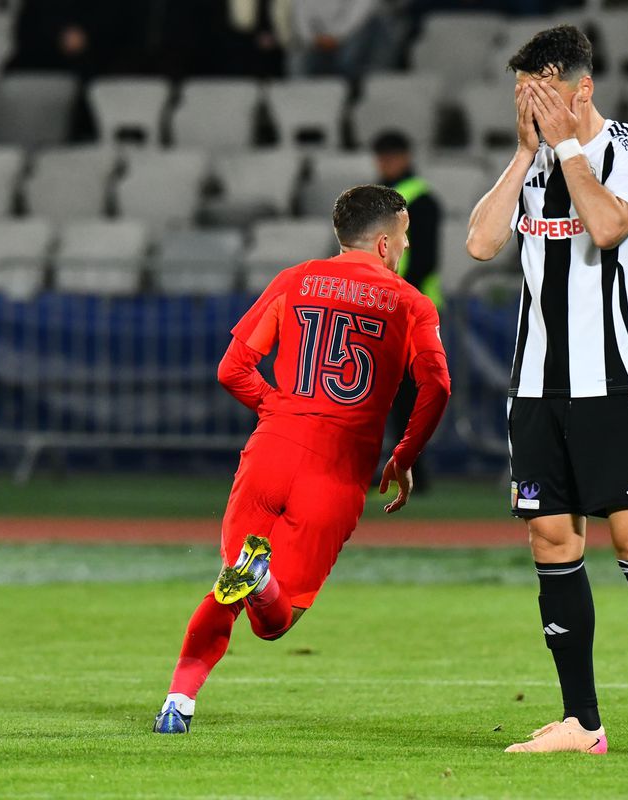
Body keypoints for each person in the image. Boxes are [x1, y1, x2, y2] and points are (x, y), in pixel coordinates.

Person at [466, 25, 628, 758]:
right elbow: (479, 243)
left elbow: (607, 228)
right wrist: (526, 151)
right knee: (552, 539)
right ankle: (581, 723)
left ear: (581, 88)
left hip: (615, 383)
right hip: (535, 388)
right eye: (521, 92)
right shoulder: (531, 161)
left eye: (543, 90)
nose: (530, 103)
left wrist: (566, 147)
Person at [153, 185, 451, 734]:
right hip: (336, 470)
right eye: (405, 238)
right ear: (385, 243)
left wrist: (278, 409)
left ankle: (178, 701)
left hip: (271, 451)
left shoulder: (295, 280)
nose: (406, 248)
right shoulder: (411, 303)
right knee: (274, 621)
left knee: (227, 585)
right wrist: (404, 456)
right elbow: (436, 386)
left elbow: (231, 367)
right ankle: (262, 581)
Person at [373, 129, 443, 493]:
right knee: (397, 396)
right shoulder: (390, 199)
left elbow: (426, 260)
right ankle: (403, 467)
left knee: (407, 396)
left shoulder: (419, 200)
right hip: (395, 307)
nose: (384, 164)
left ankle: (414, 468)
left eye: (388, 157)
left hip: (410, 311)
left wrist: (393, 293)